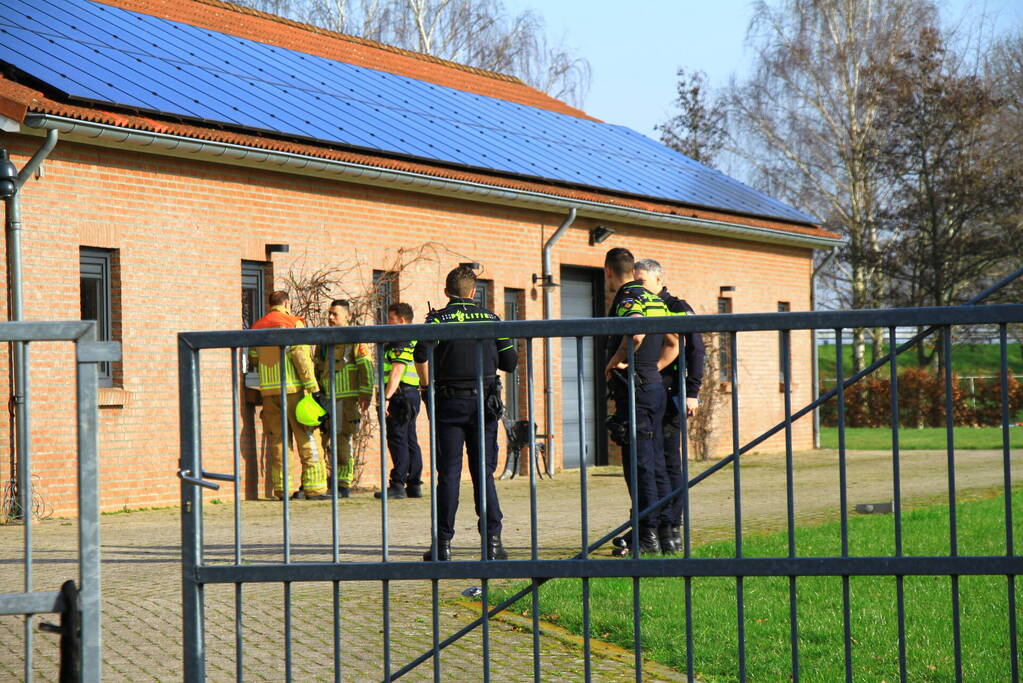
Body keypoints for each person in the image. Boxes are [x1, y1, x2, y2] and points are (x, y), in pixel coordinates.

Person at [413, 265, 518, 561]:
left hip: (448, 403)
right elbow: (510, 362)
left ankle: (443, 546)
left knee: (448, 474)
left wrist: (426, 388)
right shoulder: (491, 319)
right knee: (483, 473)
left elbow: (419, 355)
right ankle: (492, 544)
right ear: (473, 292)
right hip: (484, 404)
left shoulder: (437, 320)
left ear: (447, 292)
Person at [602, 248, 678, 554]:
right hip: (654, 388)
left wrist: (615, 362)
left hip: (636, 391)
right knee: (656, 462)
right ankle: (666, 533)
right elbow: (674, 343)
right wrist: (654, 368)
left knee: (640, 464)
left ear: (608, 272)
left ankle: (646, 535)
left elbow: (635, 332)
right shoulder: (654, 298)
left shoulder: (629, 296)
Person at [634, 258, 705, 552]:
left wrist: (692, 391)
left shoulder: (676, 306)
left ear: (659, 280)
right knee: (650, 462)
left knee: (669, 461)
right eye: (634, 281)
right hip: (649, 393)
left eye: (642, 281)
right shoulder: (638, 307)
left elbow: (696, 349)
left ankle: (672, 526)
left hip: (671, 391)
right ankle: (653, 527)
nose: (638, 286)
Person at [251, 290, 328, 500]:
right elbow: (301, 357)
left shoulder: (257, 327)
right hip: (295, 392)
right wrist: (313, 389)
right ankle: (315, 488)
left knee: (279, 442)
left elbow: (254, 358)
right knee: (307, 437)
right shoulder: (293, 323)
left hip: (269, 393)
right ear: (287, 303)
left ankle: (282, 489)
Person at [314, 299, 373, 498]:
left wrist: (366, 394)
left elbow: (366, 367)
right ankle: (322, 483)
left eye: (335, 314)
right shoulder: (323, 340)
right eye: (329, 314)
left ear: (347, 316)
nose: (330, 318)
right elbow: (317, 367)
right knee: (321, 441)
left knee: (342, 440)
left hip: (345, 399)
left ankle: (342, 485)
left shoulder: (354, 338)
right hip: (325, 398)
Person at [374, 302, 423, 500]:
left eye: (391, 319)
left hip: (399, 395)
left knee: (397, 438)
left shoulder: (401, 340)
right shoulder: (414, 339)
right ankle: (414, 484)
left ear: (401, 320)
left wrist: (386, 397)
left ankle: (397, 484)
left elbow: (397, 370)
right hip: (412, 394)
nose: (388, 323)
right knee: (410, 438)